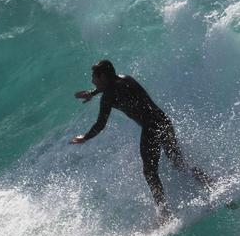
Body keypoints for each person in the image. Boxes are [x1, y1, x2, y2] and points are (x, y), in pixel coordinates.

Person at [70, 59, 213, 222]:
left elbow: (100, 124)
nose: (92, 81)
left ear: (102, 76)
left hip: (151, 128)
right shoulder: (125, 79)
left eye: (94, 77)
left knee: (150, 173)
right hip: (163, 121)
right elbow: (108, 86)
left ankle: (165, 214)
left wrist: (85, 137)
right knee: (178, 162)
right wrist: (93, 92)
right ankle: (210, 182)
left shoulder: (108, 96)